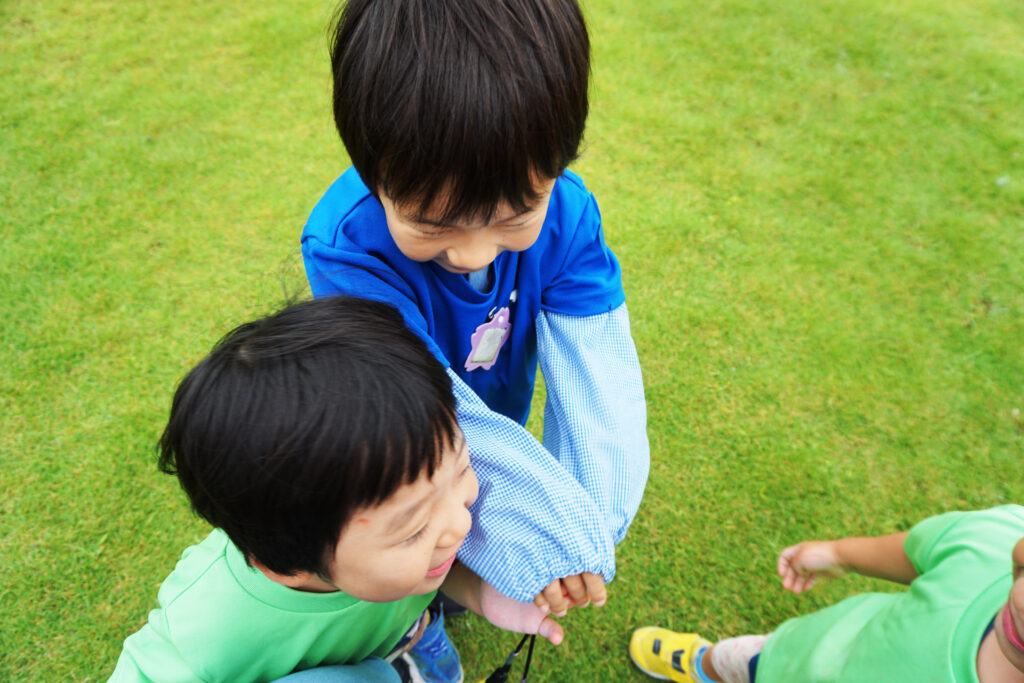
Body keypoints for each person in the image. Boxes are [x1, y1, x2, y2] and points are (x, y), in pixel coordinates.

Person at [302, 0, 650, 618]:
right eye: (431, 225)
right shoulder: (349, 249)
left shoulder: (568, 217)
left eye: (514, 219)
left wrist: (589, 522)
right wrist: (545, 538)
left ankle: (464, 592)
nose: (470, 253)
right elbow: (432, 404)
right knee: (414, 553)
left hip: (489, 423)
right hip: (410, 435)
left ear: (558, 167)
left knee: (470, 543)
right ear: (371, 174)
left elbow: (599, 377)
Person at [109, 297, 562, 683]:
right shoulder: (210, 628)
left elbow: (434, 565)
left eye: (461, 469)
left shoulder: (384, 539)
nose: (460, 522)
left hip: (391, 622)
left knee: (410, 603)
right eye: (413, 529)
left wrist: (485, 594)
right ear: (289, 567)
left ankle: (417, 640)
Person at [629, 505, 1024, 683]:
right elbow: (920, 551)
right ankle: (704, 665)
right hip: (804, 655)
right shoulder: (995, 539)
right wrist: (838, 554)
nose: (1020, 599)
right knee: (742, 660)